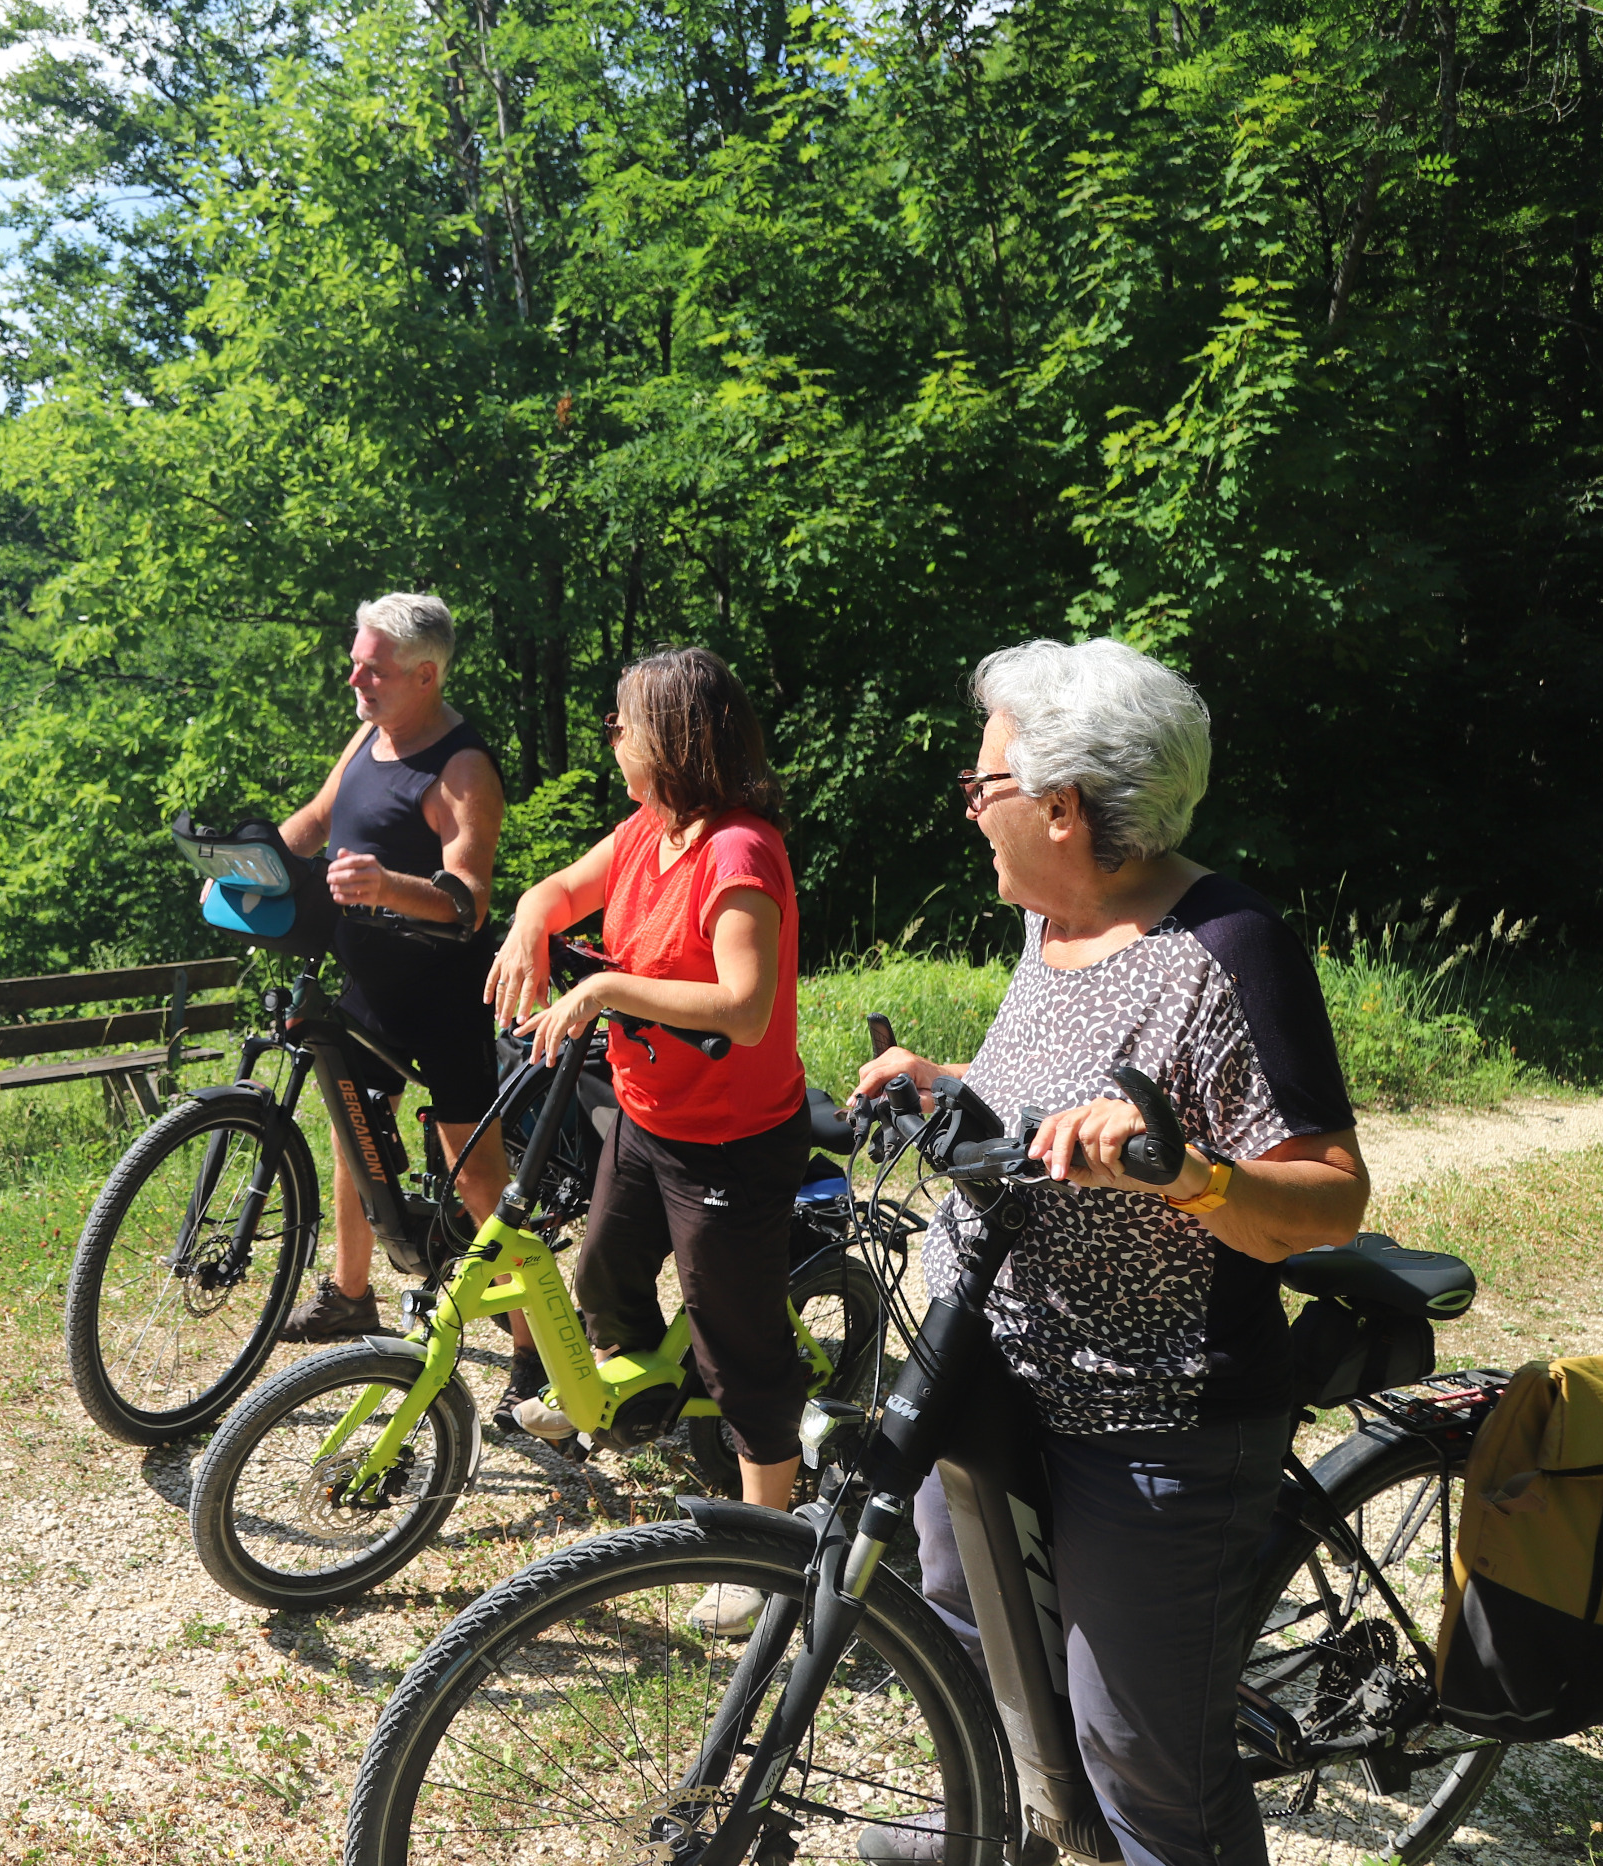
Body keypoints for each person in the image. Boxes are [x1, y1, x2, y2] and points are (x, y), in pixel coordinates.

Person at [850, 637, 1370, 1866]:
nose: (970, 811)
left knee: (1143, 1754)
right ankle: (998, 1825)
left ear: (1062, 807)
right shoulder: (1053, 920)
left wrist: (1190, 1173)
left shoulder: (1231, 949)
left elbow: (1331, 1197)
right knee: (968, 1632)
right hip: (985, 1361)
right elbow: (1049, 1093)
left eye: (981, 788)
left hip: (1151, 1415)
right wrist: (947, 1080)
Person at [486, 646, 811, 1633]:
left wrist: (603, 986)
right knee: (600, 1278)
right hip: (650, 1115)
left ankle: (768, 1557)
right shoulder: (647, 834)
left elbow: (744, 1008)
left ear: (667, 737)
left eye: (622, 722)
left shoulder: (736, 853)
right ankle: (636, 1407)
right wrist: (526, 928)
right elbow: (554, 892)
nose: (612, 738)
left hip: (732, 1142)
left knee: (737, 1345)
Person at [272, 594, 540, 1409]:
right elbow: (316, 822)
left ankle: (534, 1349)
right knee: (353, 1126)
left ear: (425, 676)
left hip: (445, 994)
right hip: (369, 985)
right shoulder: (369, 737)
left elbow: (471, 897)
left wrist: (389, 885)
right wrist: (250, 861)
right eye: (357, 660)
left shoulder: (461, 768)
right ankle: (351, 1296)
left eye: (373, 669)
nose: (355, 677)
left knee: (479, 1179)